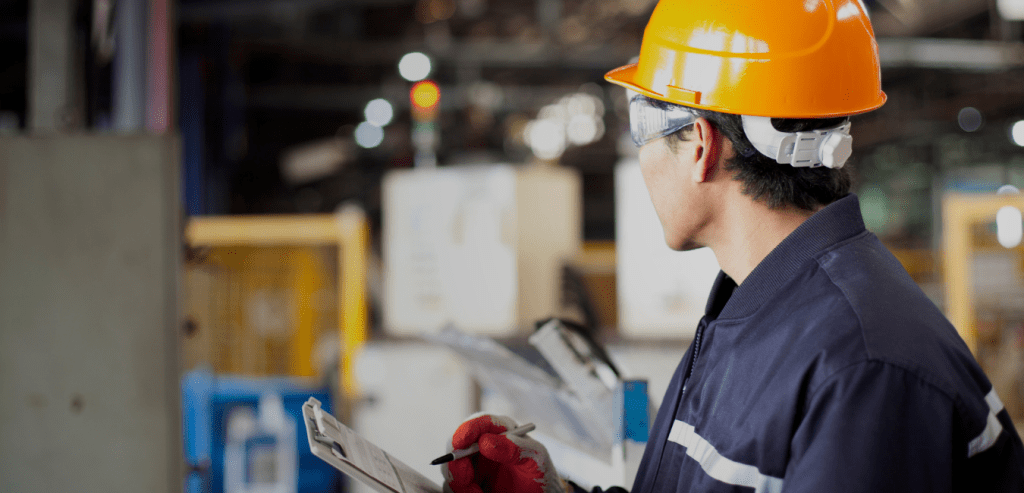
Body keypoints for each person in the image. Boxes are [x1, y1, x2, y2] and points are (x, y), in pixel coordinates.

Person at [441, 0, 1024, 491]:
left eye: (638, 134)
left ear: (699, 144)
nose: (639, 162)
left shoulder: (861, 368)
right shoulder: (756, 308)